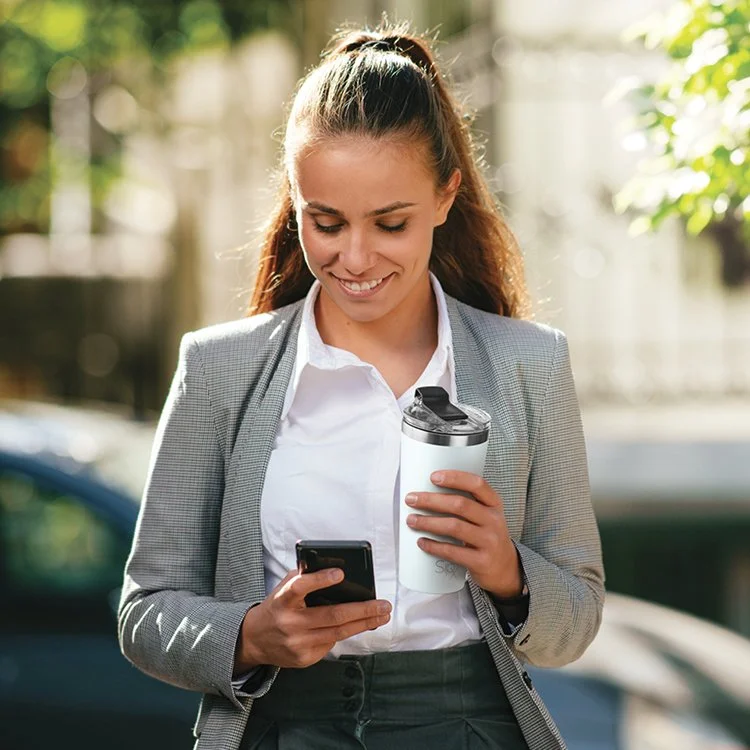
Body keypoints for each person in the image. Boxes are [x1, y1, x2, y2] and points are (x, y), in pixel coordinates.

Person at [118, 21, 604, 750]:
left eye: (390, 223)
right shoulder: (220, 371)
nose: (354, 257)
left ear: (445, 196)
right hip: (285, 728)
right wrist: (251, 635)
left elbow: (579, 614)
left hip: (469, 728)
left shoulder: (528, 364)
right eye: (327, 222)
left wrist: (510, 574)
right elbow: (145, 613)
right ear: (296, 201)